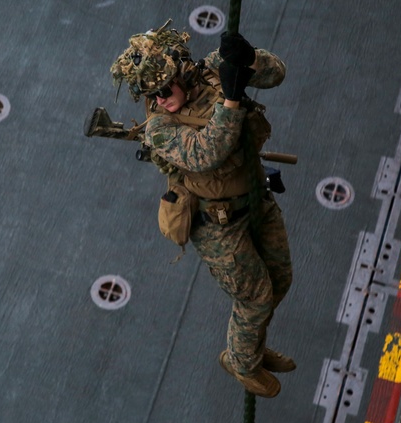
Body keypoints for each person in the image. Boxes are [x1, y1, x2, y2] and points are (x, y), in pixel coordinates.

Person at [109, 22, 295, 397]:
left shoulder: (213, 70)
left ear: (181, 73)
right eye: (151, 95)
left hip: (256, 198)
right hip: (218, 223)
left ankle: (250, 344)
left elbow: (277, 74)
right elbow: (206, 152)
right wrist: (231, 98)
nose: (159, 100)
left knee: (280, 279)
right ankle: (241, 363)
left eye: (163, 89)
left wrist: (249, 60)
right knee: (254, 297)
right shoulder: (160, 127)